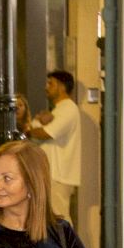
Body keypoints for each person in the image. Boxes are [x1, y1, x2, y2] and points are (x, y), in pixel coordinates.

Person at [26, 70, 81, 225]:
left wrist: (31, 130)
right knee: (53, 217)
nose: (46, 87)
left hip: (60, 173)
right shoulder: (58, 110)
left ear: (62, 87)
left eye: (51, 83)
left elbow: (45, 134)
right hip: (53, 172)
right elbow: (38, 133)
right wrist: (38, 122)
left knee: (60, 216)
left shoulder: (68, 108)